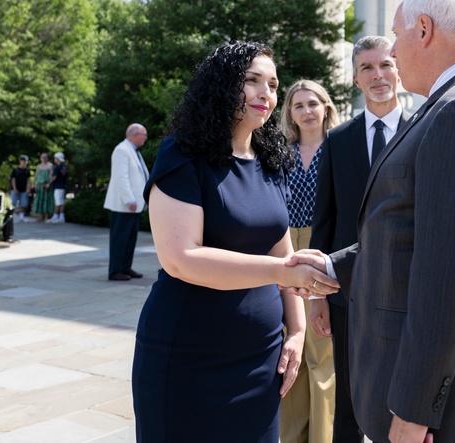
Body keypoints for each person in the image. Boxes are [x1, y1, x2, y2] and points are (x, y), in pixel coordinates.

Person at [293, 0, 455, 443]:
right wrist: (330, 264)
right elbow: (414, 238)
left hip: (453, 407)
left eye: (399, 37)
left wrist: (415, 406)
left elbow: (450, 274)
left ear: (424, 29)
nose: (396, 54)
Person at [131, 41, 338, 442]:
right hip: (189, 356)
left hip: (261, 359)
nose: (267, 93)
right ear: (223, 84)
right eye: (252, 81)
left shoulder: (270, 160)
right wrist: (282, 271)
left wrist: (295, 332)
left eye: (273, 84)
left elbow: (283, 252)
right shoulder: (183, 154)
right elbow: (181, 258)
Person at [308, 35, 410, 443]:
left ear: (398, 70)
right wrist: (317, 294)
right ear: (355, 79)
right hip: (346, 295)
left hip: (406, 291)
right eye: (367, 68)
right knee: (348, 400)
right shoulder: (337, 140)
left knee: (404, 398)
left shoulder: (425, 130)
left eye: (386, 65)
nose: (378, 75)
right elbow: (324, 221)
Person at [279, 79, 340, 443]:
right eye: (298, 105)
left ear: (325, 107)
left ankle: (323, 437)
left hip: (323, 249)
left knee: (322, 352)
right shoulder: (280, 154)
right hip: (285, 248)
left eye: (312, 103)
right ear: (290, 113)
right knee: (293, 347)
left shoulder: (337, 148)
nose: (306, 111)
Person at [103, 124, 150, 281]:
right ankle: (116, 270)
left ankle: (125, 267)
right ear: (135, 135)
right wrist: (129, 199)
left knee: (130, 238)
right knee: (120, 238)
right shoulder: (122, 150)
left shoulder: (132, 151)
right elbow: (121, 177)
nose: (145, 139)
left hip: (134, 206)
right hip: (124, 205)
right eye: (144, 135)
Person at [31, 153, 55, 220]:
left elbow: (51, 176)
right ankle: (40, 215)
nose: (43, 158)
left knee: (47, 199)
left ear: (47, 158)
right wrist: (33, 184)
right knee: (39, 199)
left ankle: (47, 215)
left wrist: (48, 184)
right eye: (42, 157)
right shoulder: (39, 166)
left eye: (45, 157)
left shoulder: (50, 165)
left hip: (46, 184)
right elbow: (36, 176)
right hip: (39, 184)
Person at [9, 156, 31, 223]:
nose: (24, 162)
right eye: (23, 160)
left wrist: (28, 188)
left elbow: (28, 180)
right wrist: (14, 188)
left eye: (26, 161)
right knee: (13, 203)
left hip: (23, 189)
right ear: (20, 161)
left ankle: (21, 217)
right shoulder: (15, 169)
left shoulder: (27, 170)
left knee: (23, 203)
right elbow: (13, 179)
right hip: (15, 189)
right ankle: (11, 216)